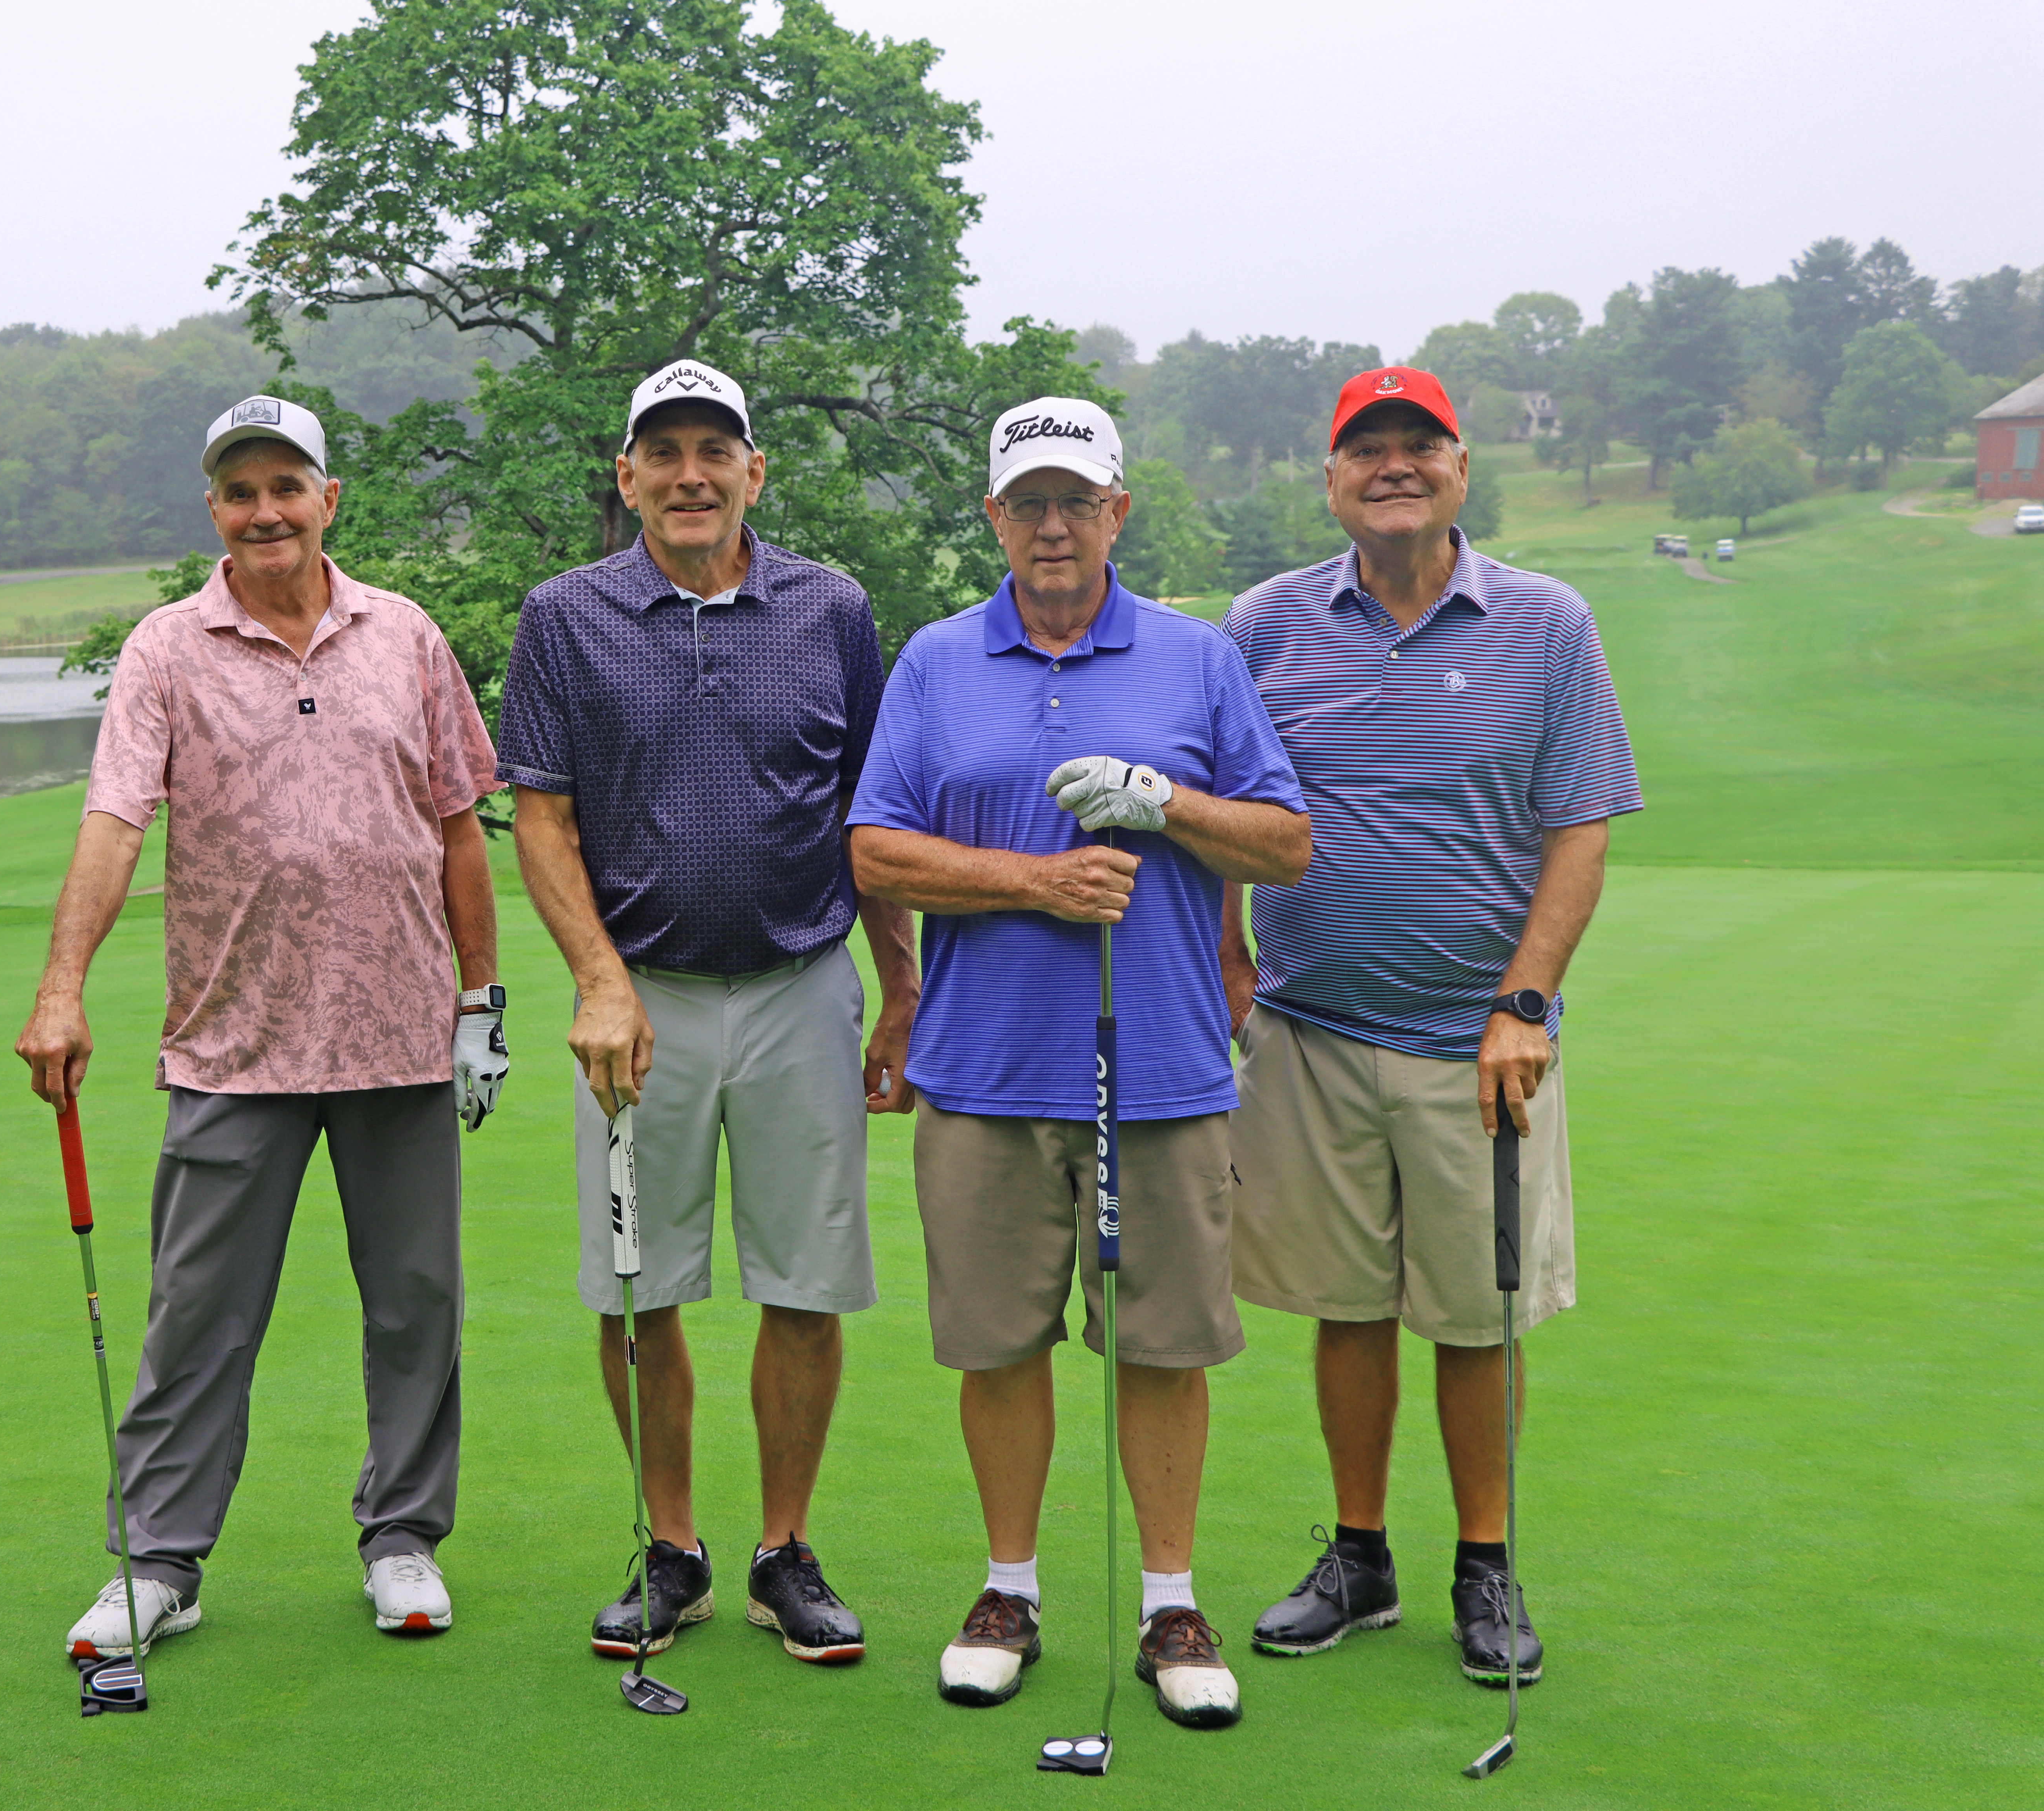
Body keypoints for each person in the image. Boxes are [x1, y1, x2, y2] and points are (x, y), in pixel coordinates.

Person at [14, 394, 507, 1662]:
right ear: (216, 513)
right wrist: (63, 986)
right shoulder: (167, 650)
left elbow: (461, 824)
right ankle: (159, 1564)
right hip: (235, 1040)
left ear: (329, 498)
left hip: (399, 1033)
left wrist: (480, 1002)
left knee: (414, 1305)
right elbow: (116, 823)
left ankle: (403, 1539)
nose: (266, 510)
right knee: (198, 1313)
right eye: (241, 492)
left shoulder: (404, 635)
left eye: (288, 485)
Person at [848, 397, 1310, 1729]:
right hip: (984, 1072)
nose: (1053, 526)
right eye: (1027, 503)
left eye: (1078, 501)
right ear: (994, 517)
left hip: (1160, 1066)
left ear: (1119, 511)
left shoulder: (1197, 659)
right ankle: (1009, 1591)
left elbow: (1284, 843)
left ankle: (1170, 1600)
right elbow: (877, 851)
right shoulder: (935, 662)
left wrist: (1167, 806)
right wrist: (1036, 883)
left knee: (1163, 1347)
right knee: (1000, 1345)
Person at [1220, 366, 1642, 1689]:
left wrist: (1525, 1005)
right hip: (1309, 1029)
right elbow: (1223, 802)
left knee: (1476, 1315)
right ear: (1331, 480)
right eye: (1367, 451)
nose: (1392, 467)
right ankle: (1359, 1557)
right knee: (1344, 1309)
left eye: (1419, 447)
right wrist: (1227, 959)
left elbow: (1580, 825)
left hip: (1477, 1040)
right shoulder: (1265, 623)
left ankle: (1486, 1561)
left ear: (1462, 469)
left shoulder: (1546, 622)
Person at [498, 359, 918, 1668]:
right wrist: (599, 981)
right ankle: (670, 1550)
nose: (690, 475)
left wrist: (901, 988)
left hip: (801, 987)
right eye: (663, 453)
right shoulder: (564, 616)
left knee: (804, 1284)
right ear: (627, 477)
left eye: (713, 451)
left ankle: (782, 1551)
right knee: (639, 1293)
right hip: (642, 1007)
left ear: (753, 472)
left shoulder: (831, 608)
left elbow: (872, 816)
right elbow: (544, 816)